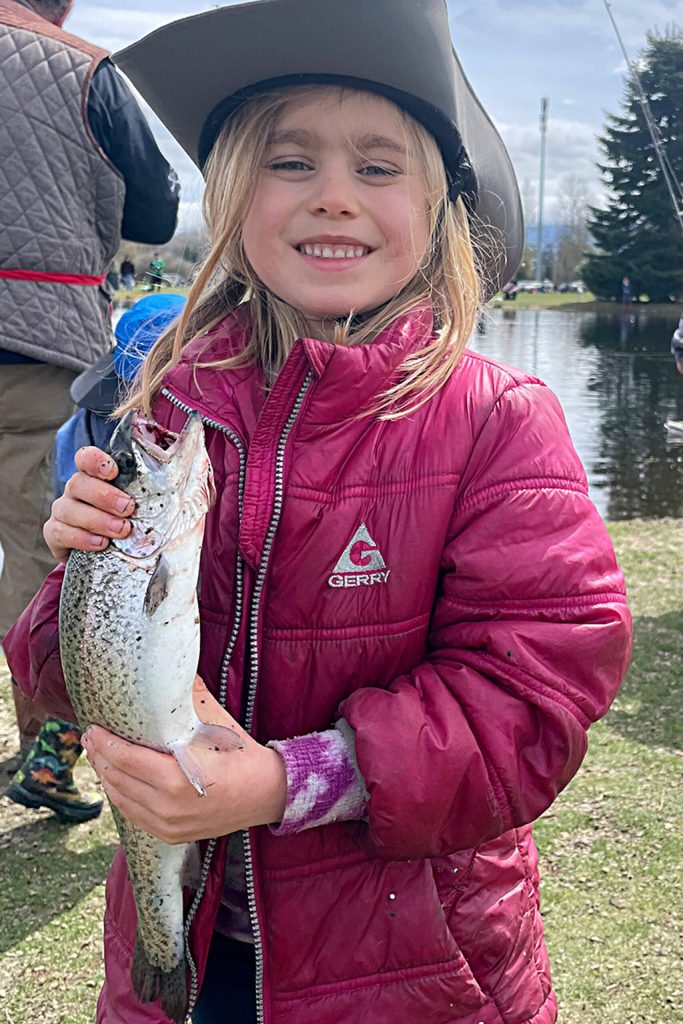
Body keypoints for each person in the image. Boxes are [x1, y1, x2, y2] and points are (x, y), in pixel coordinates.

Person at [4, 2, 632, 1022]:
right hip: (193, 947)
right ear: (233, 197)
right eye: (289, 163)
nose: (333, 196)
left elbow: (532, 700)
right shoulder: (169, 406)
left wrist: (286, 782)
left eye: (377, 168)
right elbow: (62, 686)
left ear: (434, 206)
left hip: (413, 970)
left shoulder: (496, 424)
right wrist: (78, 574)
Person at [0, 0, 180, 801]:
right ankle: (48, 755)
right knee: (46, 547)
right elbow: (155, 210)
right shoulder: (85, 70)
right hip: (38, 335)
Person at [4, 294, 186, 824]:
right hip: (113, 569)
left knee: (94, 674)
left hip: (97, 569)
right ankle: (48, 770)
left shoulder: (83, 424)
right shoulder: (130, 440)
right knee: (106, 680)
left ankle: (45, 768)